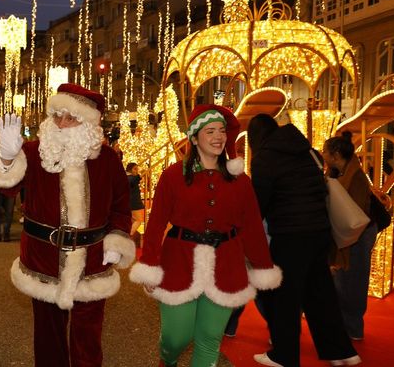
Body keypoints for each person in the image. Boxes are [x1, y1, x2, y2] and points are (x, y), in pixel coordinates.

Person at [0, 83, 136, 367]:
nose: (62, 124)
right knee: (47, 337)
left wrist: (116, 240)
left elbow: (120, 207)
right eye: (57, 116)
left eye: (71, 118)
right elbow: (7, 187)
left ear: (90, 123)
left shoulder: (108, 160)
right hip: (43, 258)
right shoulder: (33, 152)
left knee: (87, 339)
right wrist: (6, 156)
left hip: (92, 260)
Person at [129, 104, 281, 367]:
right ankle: (168, 358)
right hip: (179, 262)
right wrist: (150, 264)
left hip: (227, 265)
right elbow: (155, 225)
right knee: (177, 336)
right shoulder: (173, 176)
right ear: (194, 137)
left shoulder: (241, 181)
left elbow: (253, 227)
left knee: (209, 338)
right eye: (210, 131)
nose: (218, 137)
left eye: (221, 131)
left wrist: (262, 267)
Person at [246, 114, 361, 367]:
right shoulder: (306, 150)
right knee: (321, 293)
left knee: (284, 296)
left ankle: (284, 355)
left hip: (290, 235)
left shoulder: (265, 158)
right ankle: (342, 351)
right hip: (319, 231)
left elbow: (259, 204)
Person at [323, 131, 375, 341]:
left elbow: (357, 214)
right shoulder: (340, 173)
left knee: (352, 281)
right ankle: (345, 325)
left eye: (325, 151)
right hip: (347, 233)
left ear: (335, 155)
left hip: (358, 234)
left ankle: (353, 328)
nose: (322, 154)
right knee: (343, 280)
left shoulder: (356, 177)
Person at [126, 163, 145, 237]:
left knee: (133, 221)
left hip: (131, 203)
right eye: (135, 169)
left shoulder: (127, 177)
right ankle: (128, 235)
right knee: (138, 220)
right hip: (133, 204)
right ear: (130, 169)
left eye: (137, 169)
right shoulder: (130, 178)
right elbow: (134, 179)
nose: (136, 171)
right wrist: (140, 175)